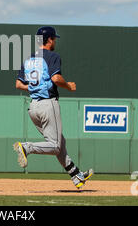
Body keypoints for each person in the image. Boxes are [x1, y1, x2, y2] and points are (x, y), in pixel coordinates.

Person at [14, 26, 93, 190]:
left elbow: (18, 84)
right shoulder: (52, 56)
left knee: (60, 143)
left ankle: (76, 174)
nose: (55, 41)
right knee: (55, 145)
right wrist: (69, 86)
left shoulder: (28, 60)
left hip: (33, 107)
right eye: (54, 38)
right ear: (49, 39)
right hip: (48, 104)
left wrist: (34, 88)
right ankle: (26, 147)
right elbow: (56, 78)